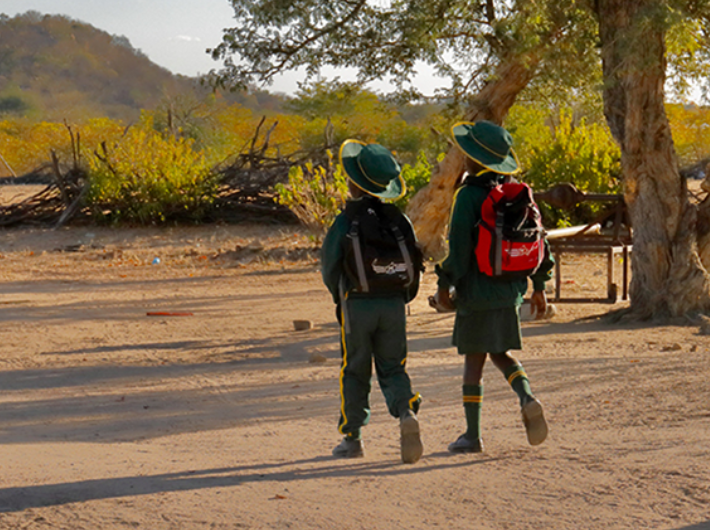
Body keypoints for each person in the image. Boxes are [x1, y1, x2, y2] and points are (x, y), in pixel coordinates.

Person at [430, 120, 554, 453]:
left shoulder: (469, 195)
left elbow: (457, 250)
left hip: (476, 292)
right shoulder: (518, 192)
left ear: (474, 159)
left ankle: (472, 435)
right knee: (500, 352)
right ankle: (527, 396)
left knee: (474, 361)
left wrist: (444, 284)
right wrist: (539, 286)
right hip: (510, 290)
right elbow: (542, 243)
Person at [321, 140, 423, 464]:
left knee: (354, 370)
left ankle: (353, 438)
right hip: (394, 304)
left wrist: (341, 299)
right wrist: (400, 297)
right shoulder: (399, 220)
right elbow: (414, 264)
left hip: (357, 305)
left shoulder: (345, 221)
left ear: (353, 183)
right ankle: (406, 412)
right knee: (394, 366)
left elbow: (329, 268)